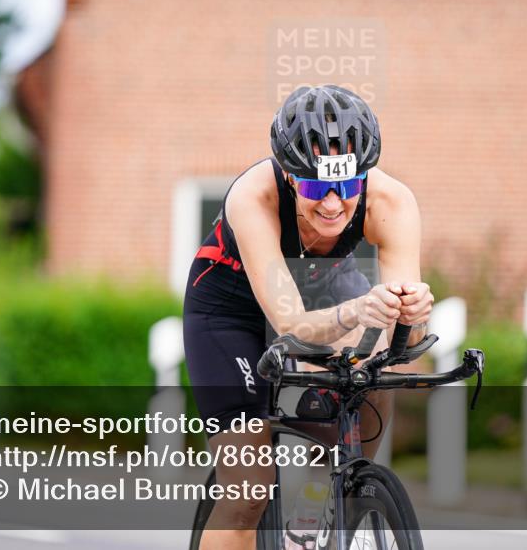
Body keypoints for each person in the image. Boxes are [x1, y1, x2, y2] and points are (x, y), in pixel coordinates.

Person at [183, 85, 433, 550]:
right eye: (317, 187)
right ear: (289, 175)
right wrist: (359, 309)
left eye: (348, 185)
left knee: (372, 378)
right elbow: (291, 324)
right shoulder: (253, 198)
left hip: (325, 290)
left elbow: (405, 334)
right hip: (231, 310)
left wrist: (412, 316)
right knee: (247, 491)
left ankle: (318, 502)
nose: (334, 204)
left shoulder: (393, 204)